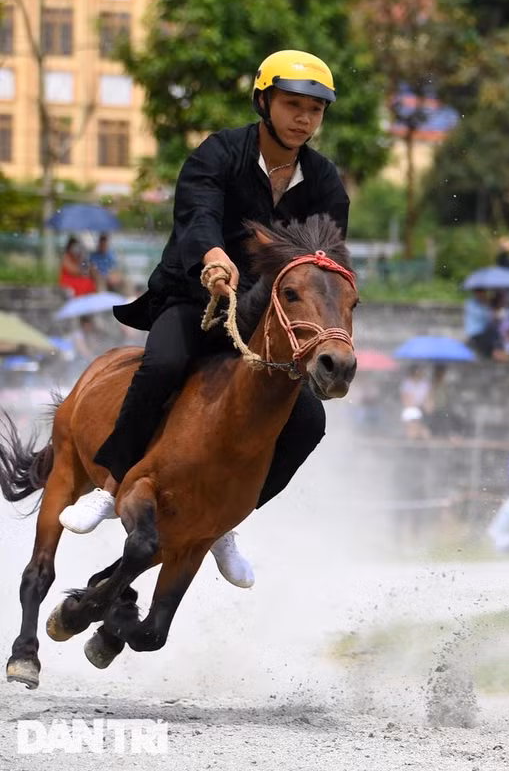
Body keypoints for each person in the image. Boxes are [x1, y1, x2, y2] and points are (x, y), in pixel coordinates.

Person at [56, 50, 349, 589]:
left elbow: (324, 256)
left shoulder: (326, 181)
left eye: (315, 109)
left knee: (310, 423)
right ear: (264, 101)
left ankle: (224, 525)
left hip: (264, 324)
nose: (304, 118)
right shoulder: (218, 153)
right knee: (164, 362)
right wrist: (212, 258)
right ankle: (112, 482)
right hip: (194, 299)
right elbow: (197, 215)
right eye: (292, 105)